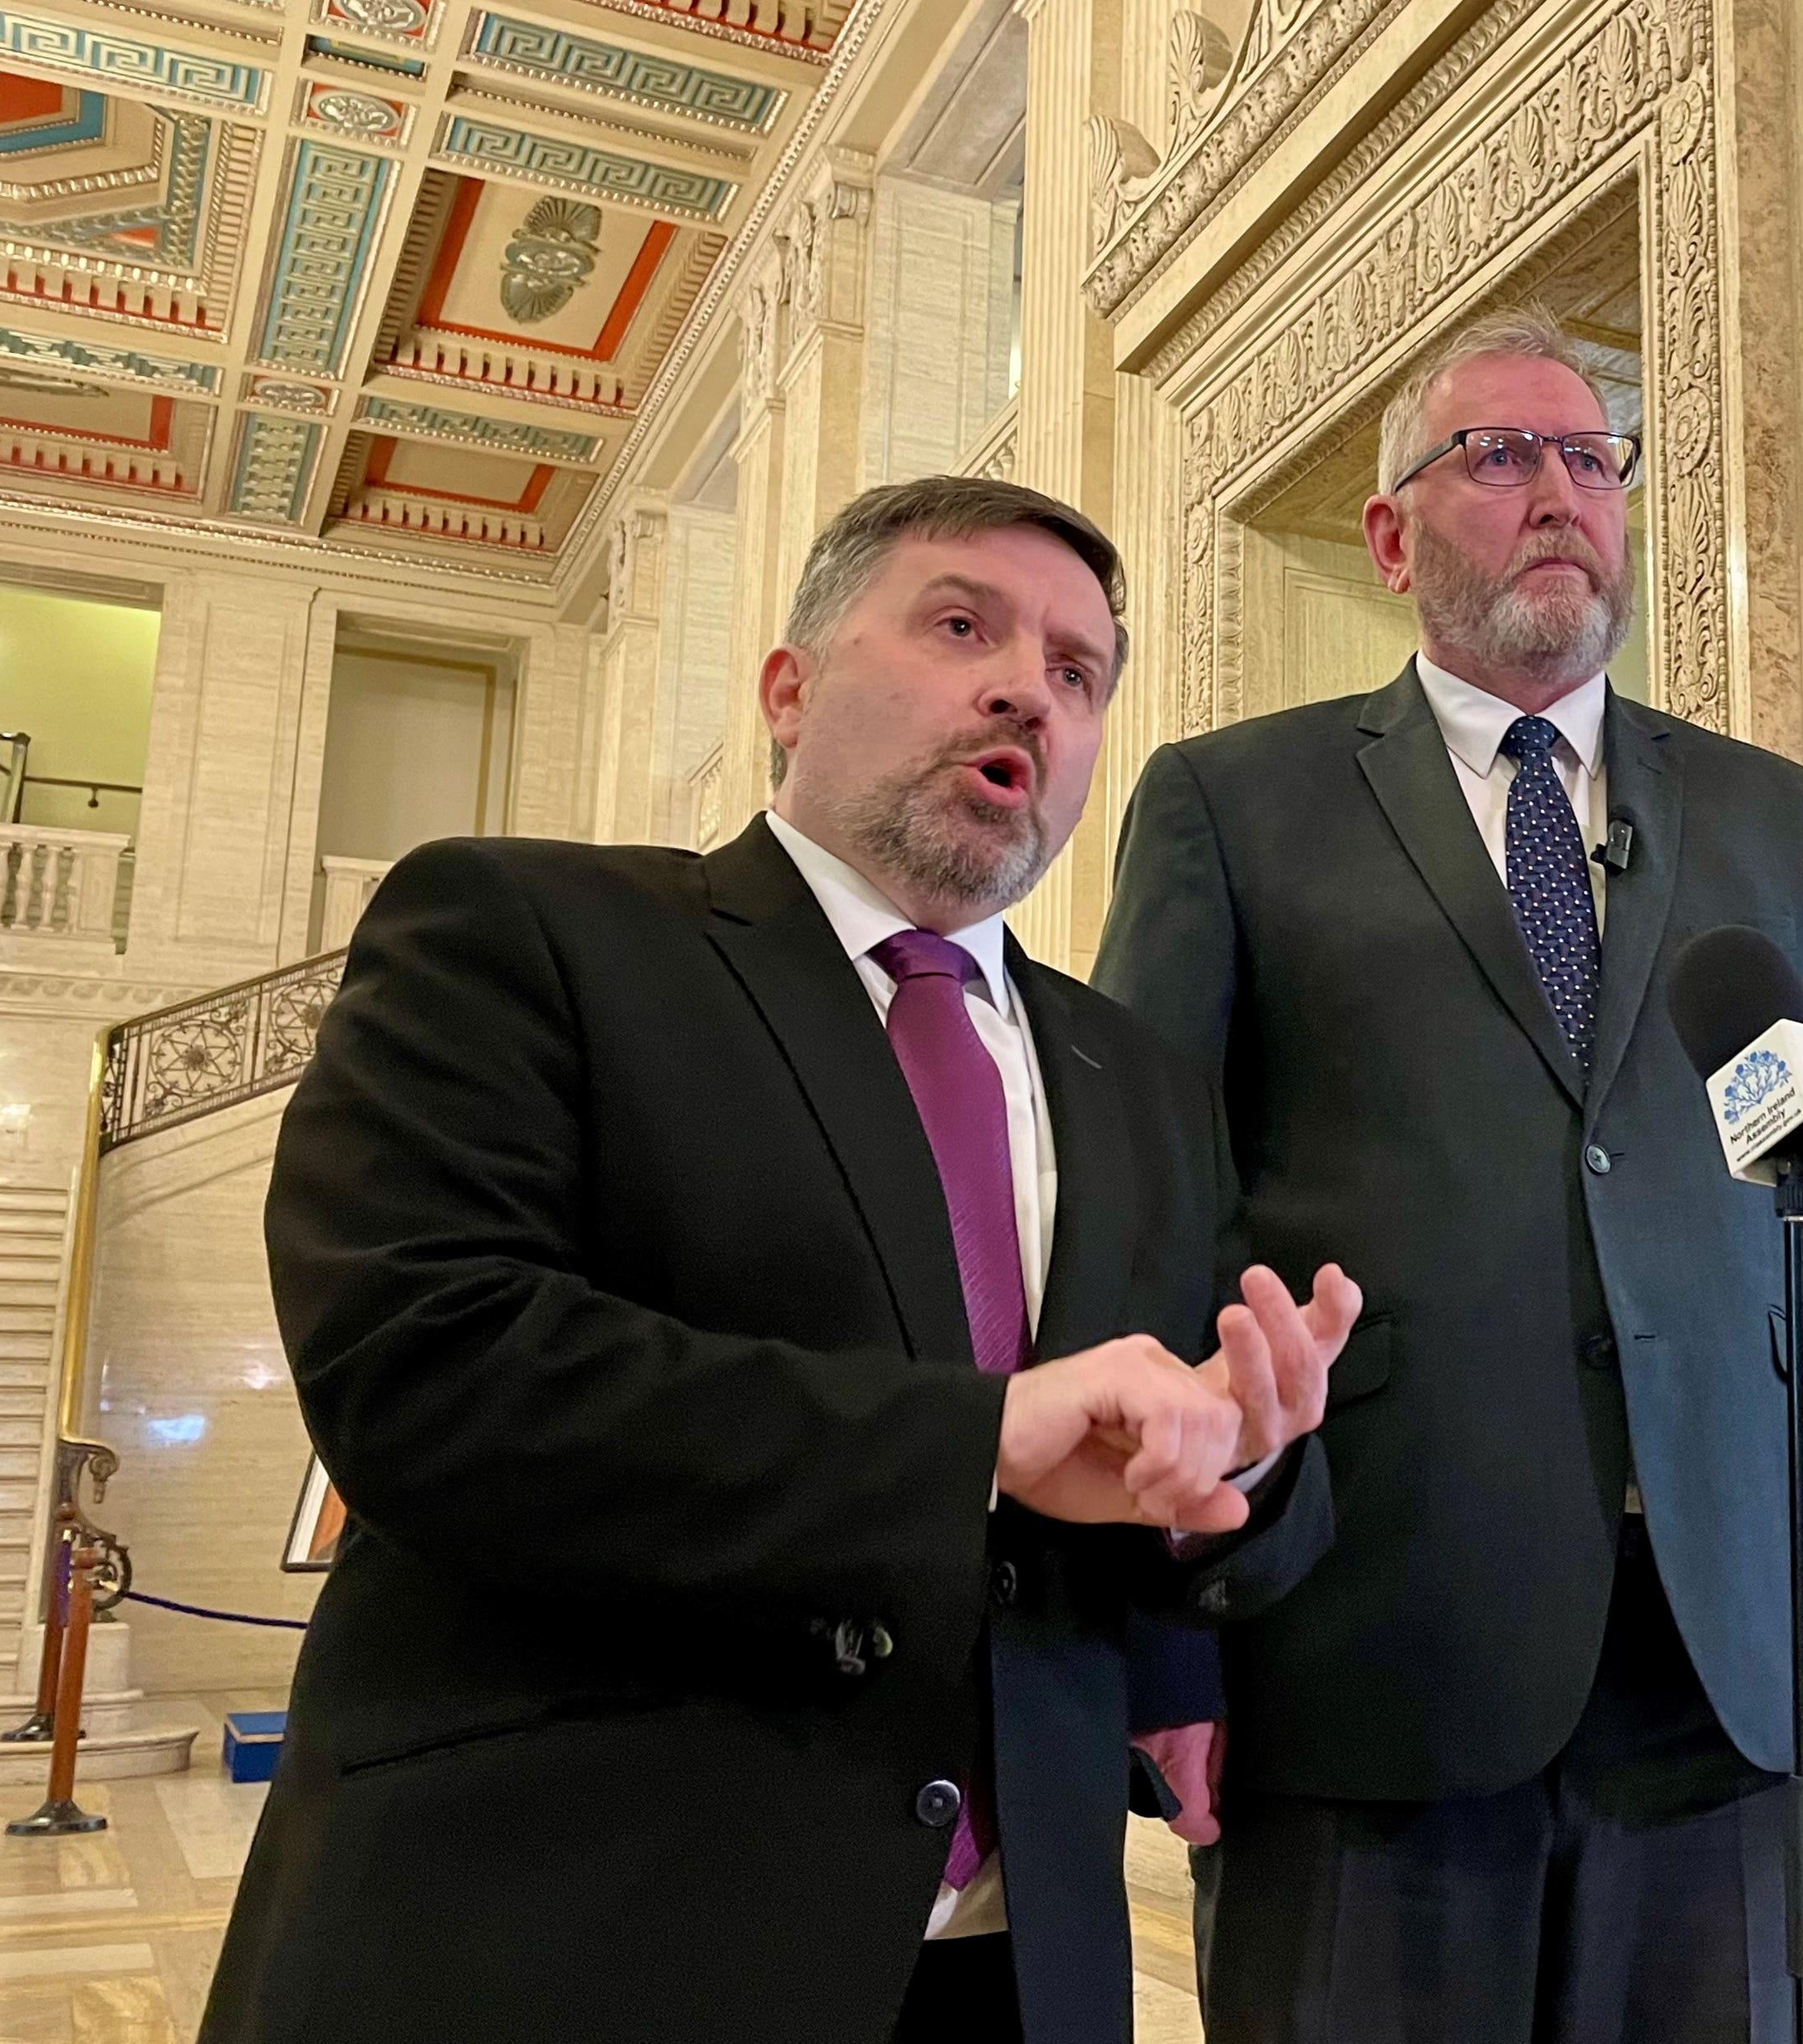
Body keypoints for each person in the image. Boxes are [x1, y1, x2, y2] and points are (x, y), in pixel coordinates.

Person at [201, 476, 1360, 2044]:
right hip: (574, 1935)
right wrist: (971, 1443)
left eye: (1080, 673)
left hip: (1019, 1957)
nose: (1029, 683)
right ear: (791, 687)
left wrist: (1252, 1469)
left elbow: (1153, 1484)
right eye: (964, 624)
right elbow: (426, 1371)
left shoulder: (1136, 1077)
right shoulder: (527, 932)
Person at [1093, 306, 1803, 2042]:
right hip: (1367, 1651)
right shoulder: (1235, 805)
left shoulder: (1776, 817)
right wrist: (1165, 1636)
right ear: (1390, 534)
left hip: (1723, 1657)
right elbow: (1149, 1229)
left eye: (1591, 457)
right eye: (1498, 455)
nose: (1557, 493)